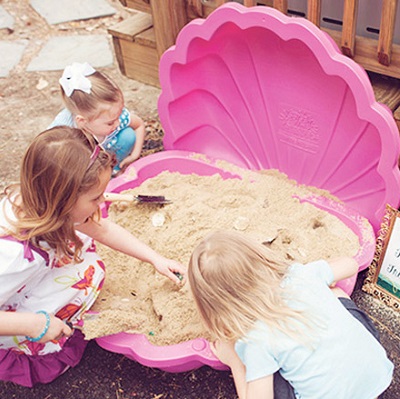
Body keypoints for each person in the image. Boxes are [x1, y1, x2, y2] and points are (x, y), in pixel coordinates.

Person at [0, 126, 185, 387]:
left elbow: (103, 229)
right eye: (96, 197)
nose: (102, 202)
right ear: (62, 199)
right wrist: (35, 325)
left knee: (86, 258)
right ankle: (26, 348)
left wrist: (155, 259)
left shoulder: (44, 203)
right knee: (80, 280)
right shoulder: (13, 256)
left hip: (24, 280)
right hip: (9, 320)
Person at [188, 230, 394, 399]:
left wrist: (234, 361)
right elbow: (350, 265)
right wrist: (321, 278)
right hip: (377, 374)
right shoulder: (300, 274)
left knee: (259, 366)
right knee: (335, 292)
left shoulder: (254, 339)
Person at [49, 62, 146, 176]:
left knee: (128, 135)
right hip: (80, 163)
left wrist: (134, 155)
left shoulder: (112, 116)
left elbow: (139, 125)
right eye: (110, 123)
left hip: (105, 148)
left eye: (118, 115)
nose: (118, 122)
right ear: (82, 121)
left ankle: (114, 169)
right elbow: (49, 157)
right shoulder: (65, 134)